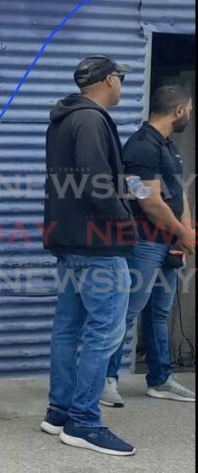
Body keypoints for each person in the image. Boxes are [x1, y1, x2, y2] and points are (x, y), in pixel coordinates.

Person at [41, 55, 138, 456]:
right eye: (120, 79)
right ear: (108, 80)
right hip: (98, 245)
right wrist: (124, 221)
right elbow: (95, 182)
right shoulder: (92, 119)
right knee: (105, 332)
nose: (121, 86)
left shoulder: (63, 119)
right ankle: (83, 421)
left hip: (69, 241)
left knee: (69, 328)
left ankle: (59, 412)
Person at [102, 85, 195, 407]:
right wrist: (182, 233)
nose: (190, 114)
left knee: (159, 314)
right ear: (179, 111)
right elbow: (149, 201)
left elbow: (177, 192)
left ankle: (160, 380)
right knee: (126, 313)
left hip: (168, 243)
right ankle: (106, 379)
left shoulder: (169, 147)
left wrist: (186, 232)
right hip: (144, 243)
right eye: (190, 108)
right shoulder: (141, 147)